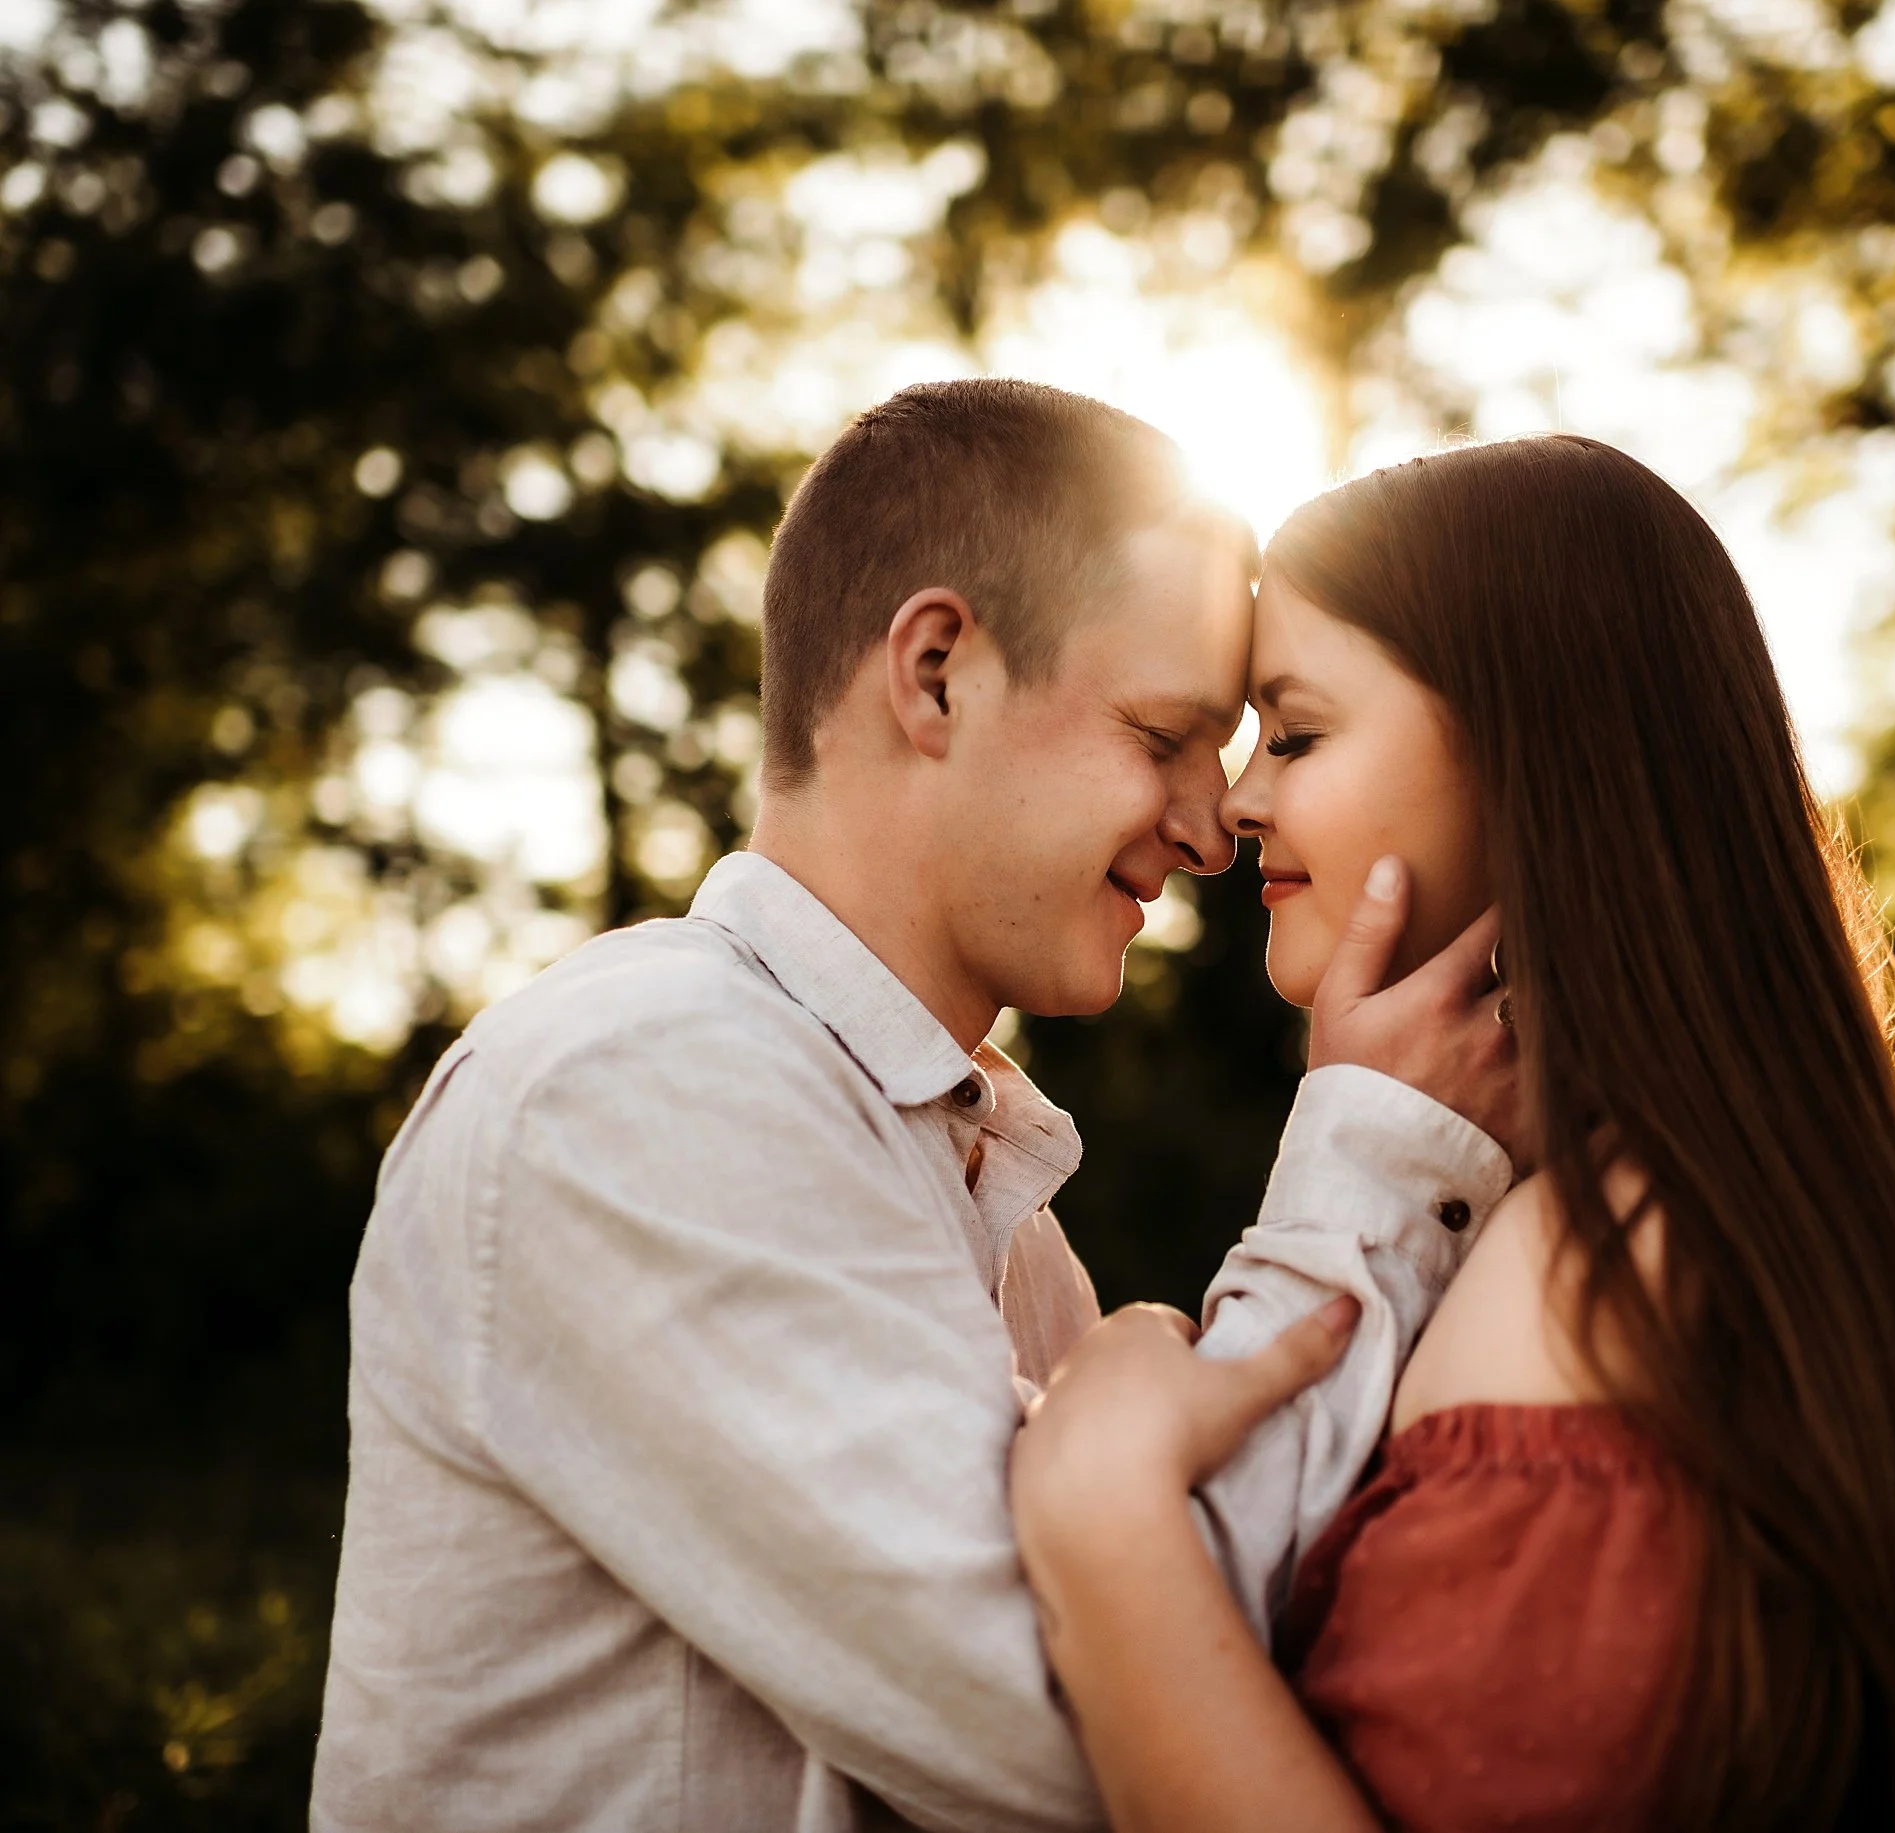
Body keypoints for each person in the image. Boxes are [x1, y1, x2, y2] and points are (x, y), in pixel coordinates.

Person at [310, 380, 1520, 1832]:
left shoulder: (975, 1189)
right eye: (1160, 737)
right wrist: (1382, 1154)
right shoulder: (638, 1090)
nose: (1211, 824)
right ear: (937, 670)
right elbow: (1107, 1729)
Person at [1011, 435, 1895, 1833]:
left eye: (1293, 733)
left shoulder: (1580, 1278)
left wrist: (1105, 1523)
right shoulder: (1772, 1228)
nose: (1235, 803)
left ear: (1531, 752)